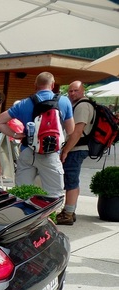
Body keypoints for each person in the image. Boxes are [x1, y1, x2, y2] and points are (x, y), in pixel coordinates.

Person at [0, 71, 74, 197]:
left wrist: (16, 135)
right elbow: (70, 130)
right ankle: (48, 216)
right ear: (52, 85)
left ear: (35, 85)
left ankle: (23, 214)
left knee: (22, 193)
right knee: (53, 194)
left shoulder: (24, 103)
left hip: (28, 151)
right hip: (51, 153)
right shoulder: (64, 102)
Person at [55, 80, 94, 225]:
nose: (72, 93)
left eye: (75, 90)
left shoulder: (82, 106)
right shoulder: (80, 105)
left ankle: (68, 214)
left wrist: (65, 150)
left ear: (82, 91)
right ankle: (70, 210)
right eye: (70, 91)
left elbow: (77, 132)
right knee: (72, 179)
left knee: (71, 180)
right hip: (77, 148)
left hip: (76, 149)